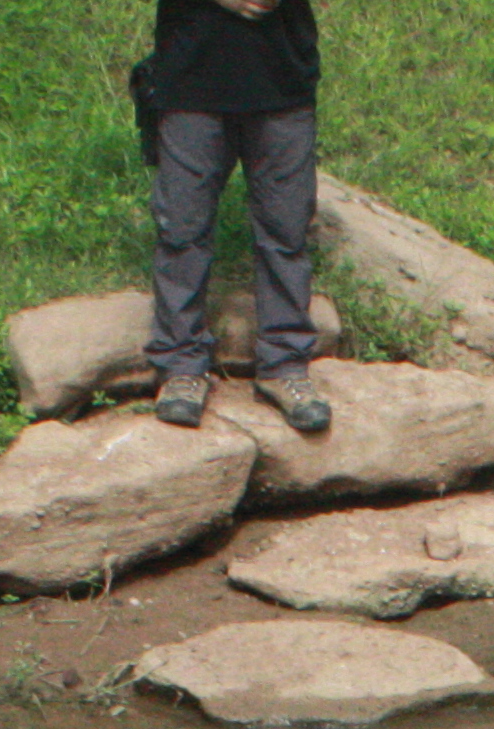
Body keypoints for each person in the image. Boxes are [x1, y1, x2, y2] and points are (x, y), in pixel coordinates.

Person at [138, 0, 334, 436]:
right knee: (182, 231)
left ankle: (284, 366)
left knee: (287, 230)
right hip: (190, 79)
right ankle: (180, 366)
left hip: (282, 80)